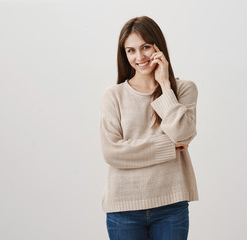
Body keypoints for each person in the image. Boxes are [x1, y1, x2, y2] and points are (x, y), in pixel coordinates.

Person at [99, 16, 199, 240]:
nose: (139, 57)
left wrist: (165, 85)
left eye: (145, 47)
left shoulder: (183, 90)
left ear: (158, 47)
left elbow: (182, 133)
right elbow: (112, 152)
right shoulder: (113, 96)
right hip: (123, 207)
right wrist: (169, 146)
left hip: (171, 204)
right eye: (131, 50)